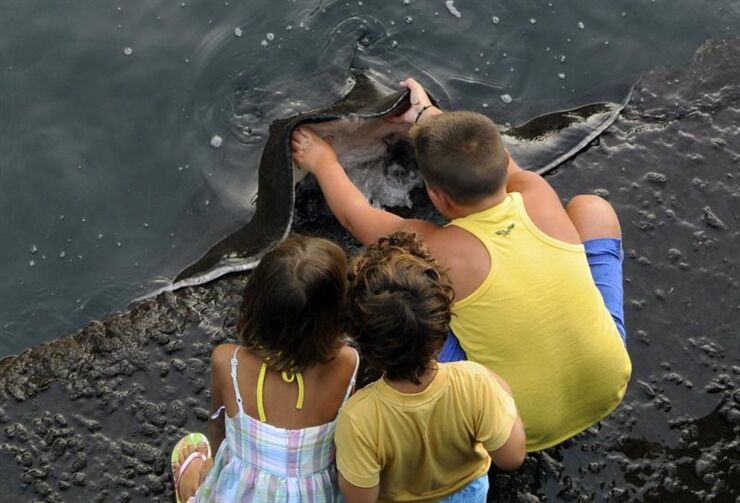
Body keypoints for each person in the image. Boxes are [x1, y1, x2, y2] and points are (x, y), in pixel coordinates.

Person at [290, 78, 631, 451]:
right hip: (610, 379)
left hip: (518, 424)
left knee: (406, 304)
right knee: (591, 209)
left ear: (436, 197)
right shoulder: (535, 190)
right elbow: (498, 159)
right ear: (503, 159)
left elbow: (356, 217)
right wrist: (425, 114)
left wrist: (322, 162)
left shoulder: (437, 246)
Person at [335, 232, 525, 502]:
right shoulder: (475, 382)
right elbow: (512, 457)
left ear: (358, 337)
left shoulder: (358, 417)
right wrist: (500, 389)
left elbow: (360, 500)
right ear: (442, 328)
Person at [170, 234, 360, 502]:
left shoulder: (228, 362)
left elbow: (217, 425)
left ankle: (196, 483)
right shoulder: (348, 363)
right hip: (313, 494)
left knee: (203, 469)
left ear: (257, 304)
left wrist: (212, 466)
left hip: (244, 491)